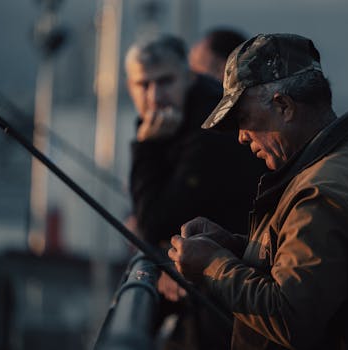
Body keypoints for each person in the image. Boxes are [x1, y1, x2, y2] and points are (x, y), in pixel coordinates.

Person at [169, 33, 348, 349]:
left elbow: (289, 315)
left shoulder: (320, 193)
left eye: (243, 118)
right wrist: (233, 247)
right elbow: (321, 267)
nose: (242, 137)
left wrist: (212, 265)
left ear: (284, 106)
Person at [124, 34, 264, 349]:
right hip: (221, 287)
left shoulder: (210, 129)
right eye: (143, 85)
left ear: (188, 76)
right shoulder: (176, 115)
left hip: (235, 300)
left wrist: (146, 147)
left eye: (165, 81)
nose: (155, 96)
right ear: (128, 86)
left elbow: (154, 223)